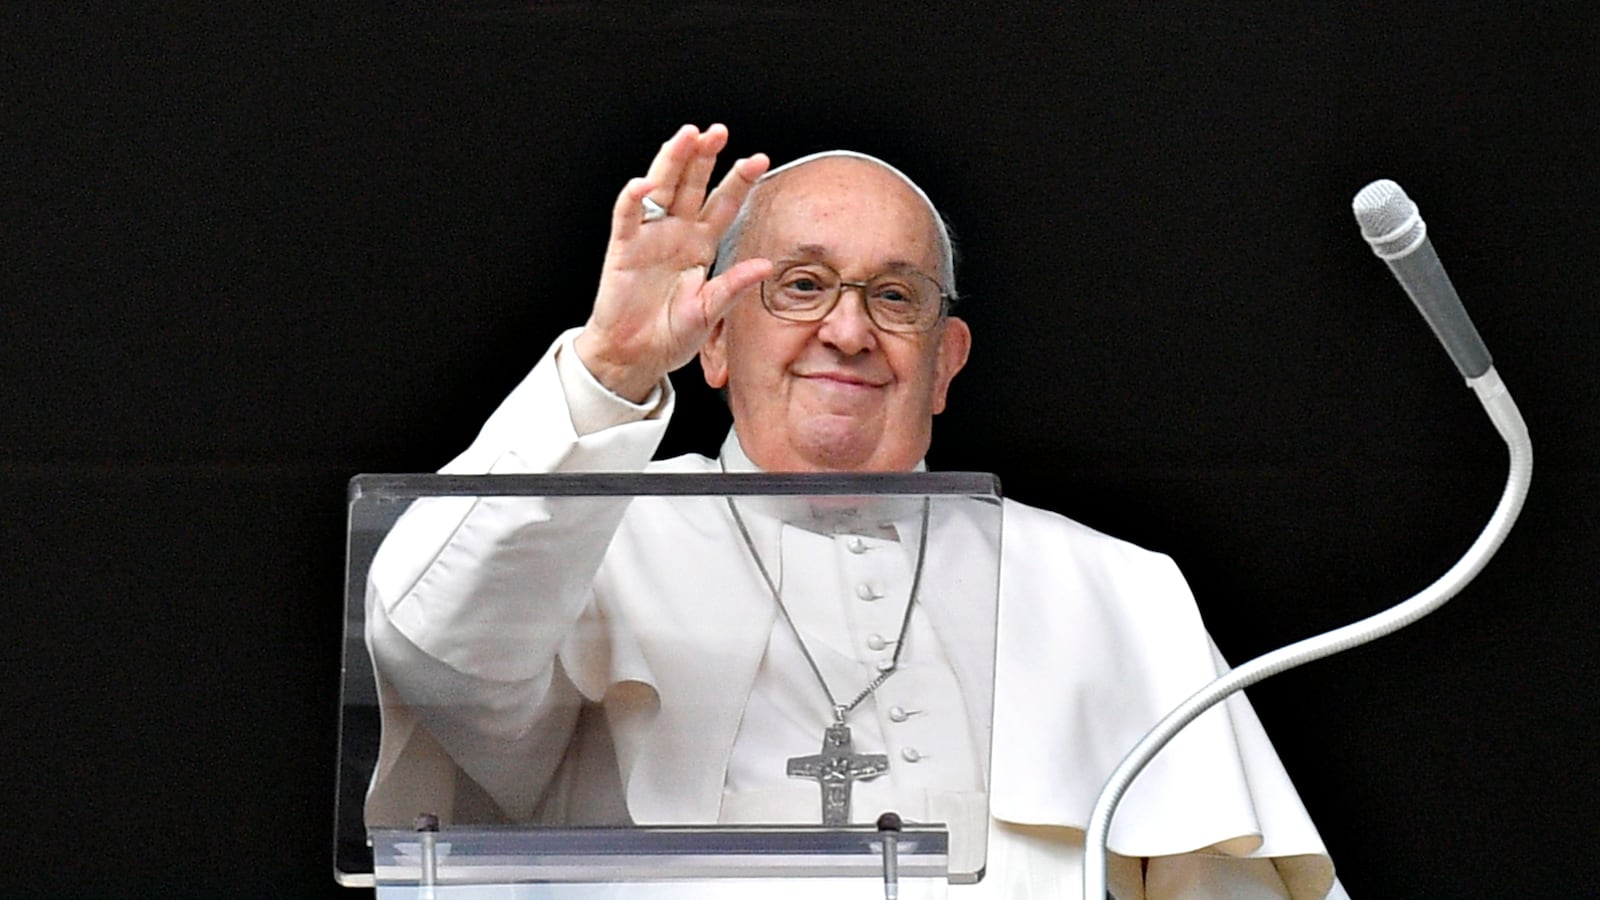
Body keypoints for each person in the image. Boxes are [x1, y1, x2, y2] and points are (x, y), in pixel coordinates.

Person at [364, 123, 1348, 898]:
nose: (847, 330)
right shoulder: (587, 540)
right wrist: (609, 370)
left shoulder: (1111, 589)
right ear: (712, 344)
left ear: (945, 364)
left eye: (894, 296)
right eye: (800, 286)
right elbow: (435, 653)